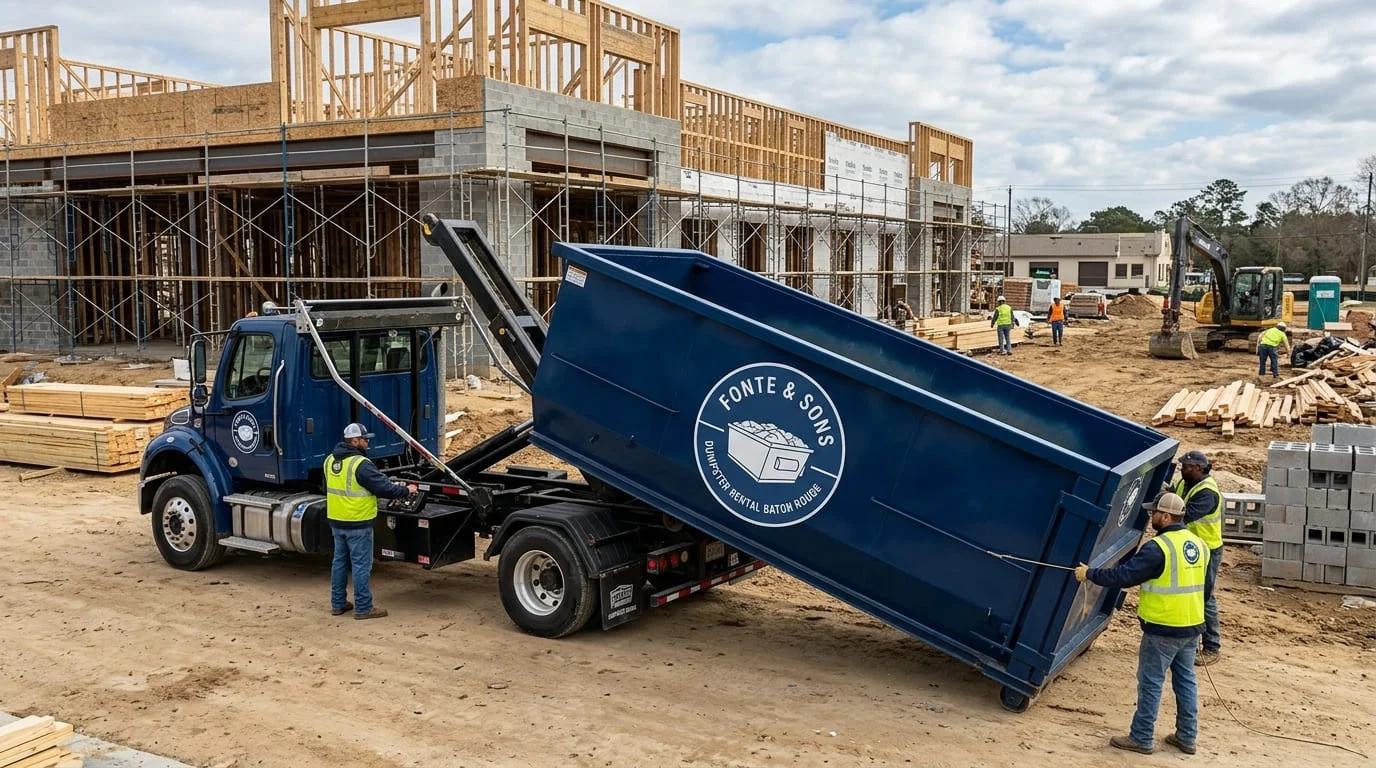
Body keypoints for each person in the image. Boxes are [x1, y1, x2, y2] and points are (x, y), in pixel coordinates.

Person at [1076, 493, 1208, 756]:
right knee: (1186, 681)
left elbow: (1125, 576)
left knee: (1151, 682)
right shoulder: (1198, 545)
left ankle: (1141, 737)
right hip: (1192, 625)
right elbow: (1209, 587)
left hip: (1163, 627)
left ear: (1167, 517)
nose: (1151, 517)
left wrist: (1089, 574)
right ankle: (1187, 737)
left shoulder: (1158, 548)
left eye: (1155, 513)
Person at [324, 422, 418, 620]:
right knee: (361, 565)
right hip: (358, 522)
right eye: (365, 439)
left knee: (339, 562)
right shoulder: (360, 464)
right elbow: (385, 489)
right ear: (354, 441)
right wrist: (406, 490)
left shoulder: (329, 461)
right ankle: (364, 607)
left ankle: (338, 604)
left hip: (336, 520)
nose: (368, 442)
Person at [1172, 450, 1224, 666]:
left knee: (1204, 597)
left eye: (1187, 466)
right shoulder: (1184, 483)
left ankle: (1212, 646)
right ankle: (1183, 641)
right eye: (1182, 466)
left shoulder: (1207, 492)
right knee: (1186, 593)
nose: (1182, 469)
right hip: (1189, 549)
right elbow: (1172, 498)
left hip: (1207, 550)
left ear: (1200, 469)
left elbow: (1184, 515)